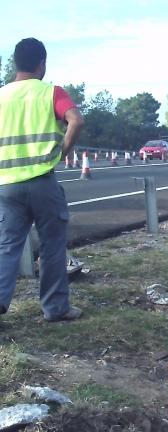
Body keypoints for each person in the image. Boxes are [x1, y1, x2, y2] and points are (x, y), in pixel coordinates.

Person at [0, 38, 84, 321]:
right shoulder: (50, 92)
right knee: (51, 244)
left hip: (7, 184)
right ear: (42, 63)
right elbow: (76, 120)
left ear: (15, 64)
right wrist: (62, 151)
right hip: (42, 180)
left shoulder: (2, 96)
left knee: (8, 246)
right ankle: (55, 308)